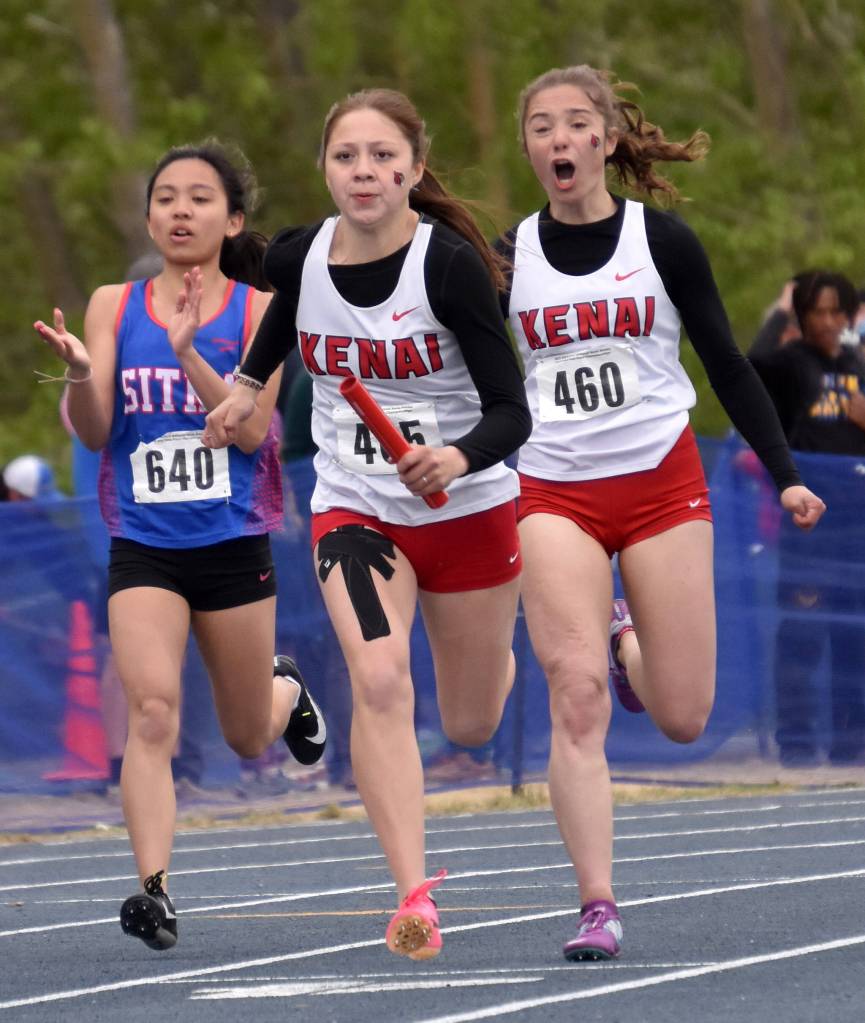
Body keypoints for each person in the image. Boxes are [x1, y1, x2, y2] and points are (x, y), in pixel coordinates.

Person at [497, 65, 826, 963]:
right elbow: (476, 380)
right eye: (539, 127)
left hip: (659, 482)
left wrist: (784, 471)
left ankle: (623, 641)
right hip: (552, 491)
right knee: (574, 698)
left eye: (574, 124)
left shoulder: (662, 242)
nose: (558, 140)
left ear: (604, 137)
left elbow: (725, 363)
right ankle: (596, 902)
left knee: (683, 715)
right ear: (527, 147)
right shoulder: (506, 256)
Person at [203, 88, 531, 960]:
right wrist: (244, 380)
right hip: (355, 503)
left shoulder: (451, 267)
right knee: (380, 680)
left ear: (413, 170)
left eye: (383, 156)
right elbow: (287, 292)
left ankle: (508, 640)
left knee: (471, 723)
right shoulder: (306, 253)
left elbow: (512, 413)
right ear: (325, 169)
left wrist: (456, 456)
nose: (364, 172)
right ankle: (411, 893)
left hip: (464, 505)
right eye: (346, 156)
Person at [32, 141, 327, 952]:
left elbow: (253, 431)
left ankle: (284, 691)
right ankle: (154, 889)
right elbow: (97, 434)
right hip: (145, 545)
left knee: (243, 734)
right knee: (153, 711)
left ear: (231, 220)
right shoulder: (111, 304)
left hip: (232, 540)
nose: (180, 211)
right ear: (150, 214)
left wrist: (191, 351)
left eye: (200, 198)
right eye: (166, 197)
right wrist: (84, 375)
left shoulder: (259, 310)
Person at [749, 270, 865, 766]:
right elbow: (750, 366)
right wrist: (780, 307)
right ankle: (795, 742)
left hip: (856, 526)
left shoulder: (858, 362)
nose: (828, 321)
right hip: (808, 527)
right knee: (801, 632)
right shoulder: (794, 364)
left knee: (853, 635)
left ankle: (850, 740)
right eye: (816, 310)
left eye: (837, 311)